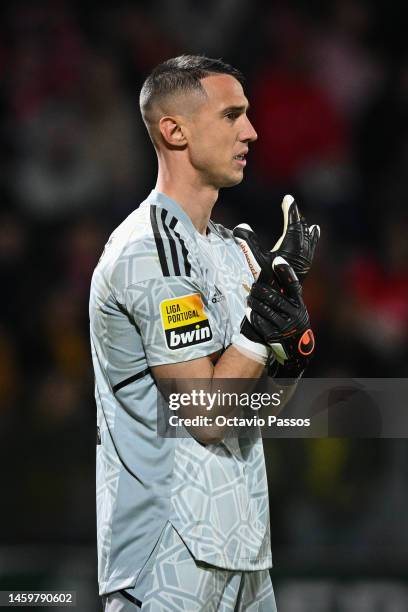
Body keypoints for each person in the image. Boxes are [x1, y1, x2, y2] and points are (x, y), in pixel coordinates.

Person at [90, 55, 316, 611]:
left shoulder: (233, 250)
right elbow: (209, 418)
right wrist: (261, 332)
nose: (252, 131)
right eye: (232, 115)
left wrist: (287, 353)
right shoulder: (148, 251)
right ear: (175, 130)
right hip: (167, 555)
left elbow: (258, 409)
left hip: (244, 550)